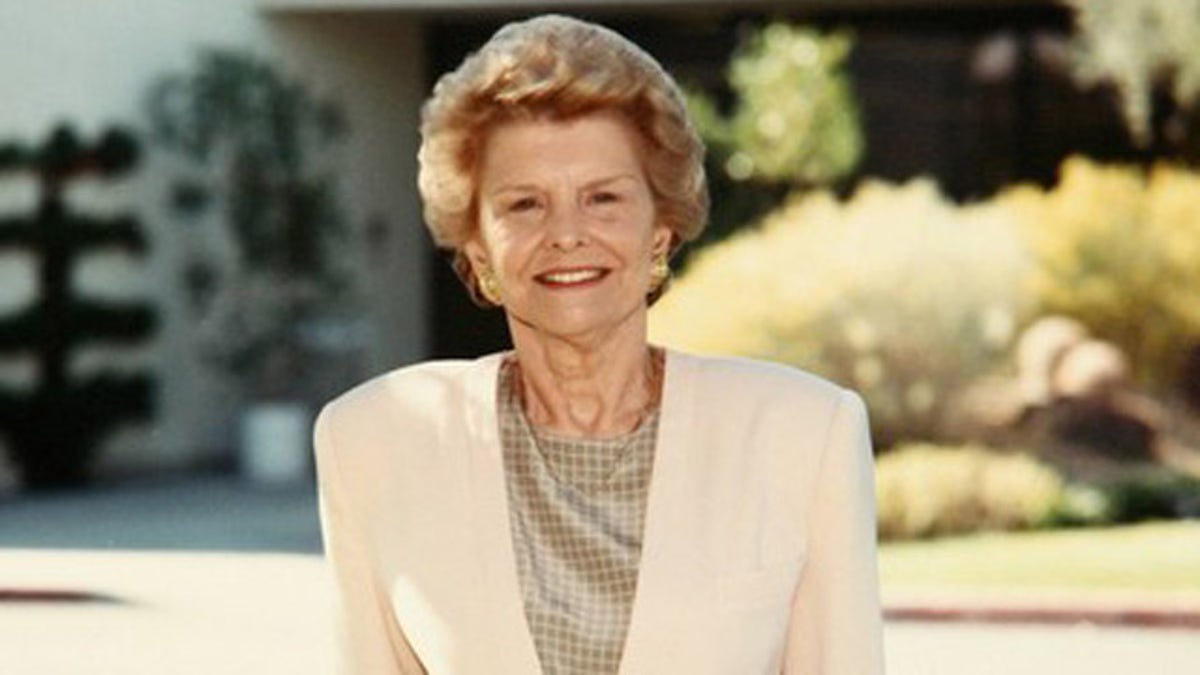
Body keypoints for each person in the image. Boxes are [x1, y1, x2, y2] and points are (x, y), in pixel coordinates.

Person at [314, 14, 884, 675]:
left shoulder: (804, 434)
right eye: (524, 204)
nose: (566, 233)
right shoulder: (371, 440)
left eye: (603, 198)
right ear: (479, 251)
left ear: (660, 234)